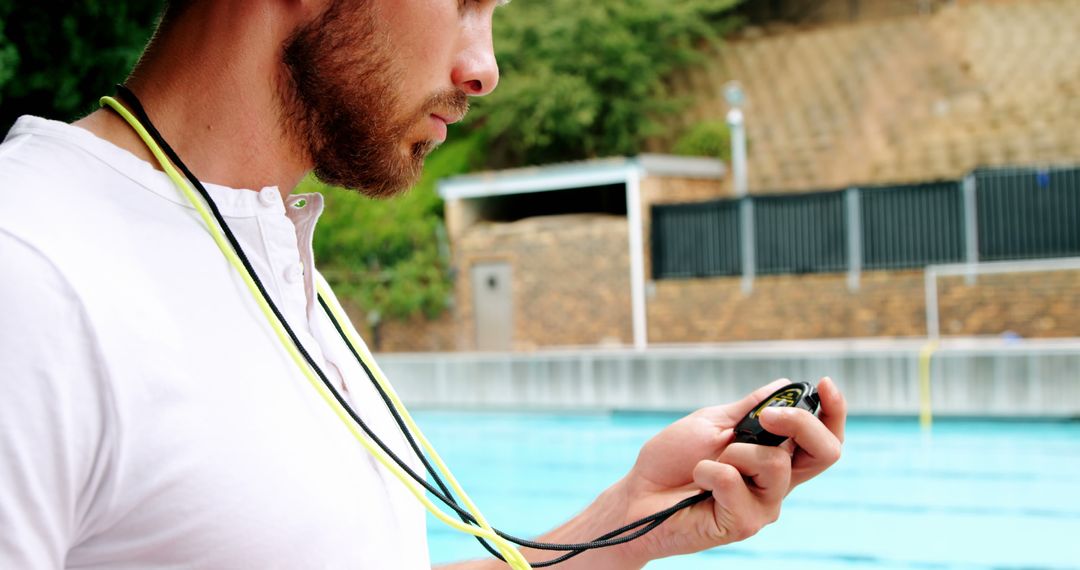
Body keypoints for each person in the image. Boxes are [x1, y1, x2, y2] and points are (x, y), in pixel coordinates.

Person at [0, 1, 847, 568]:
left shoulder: (274, 260)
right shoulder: (31, 274)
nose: (485, 70)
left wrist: (629, 520)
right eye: (465, 1)